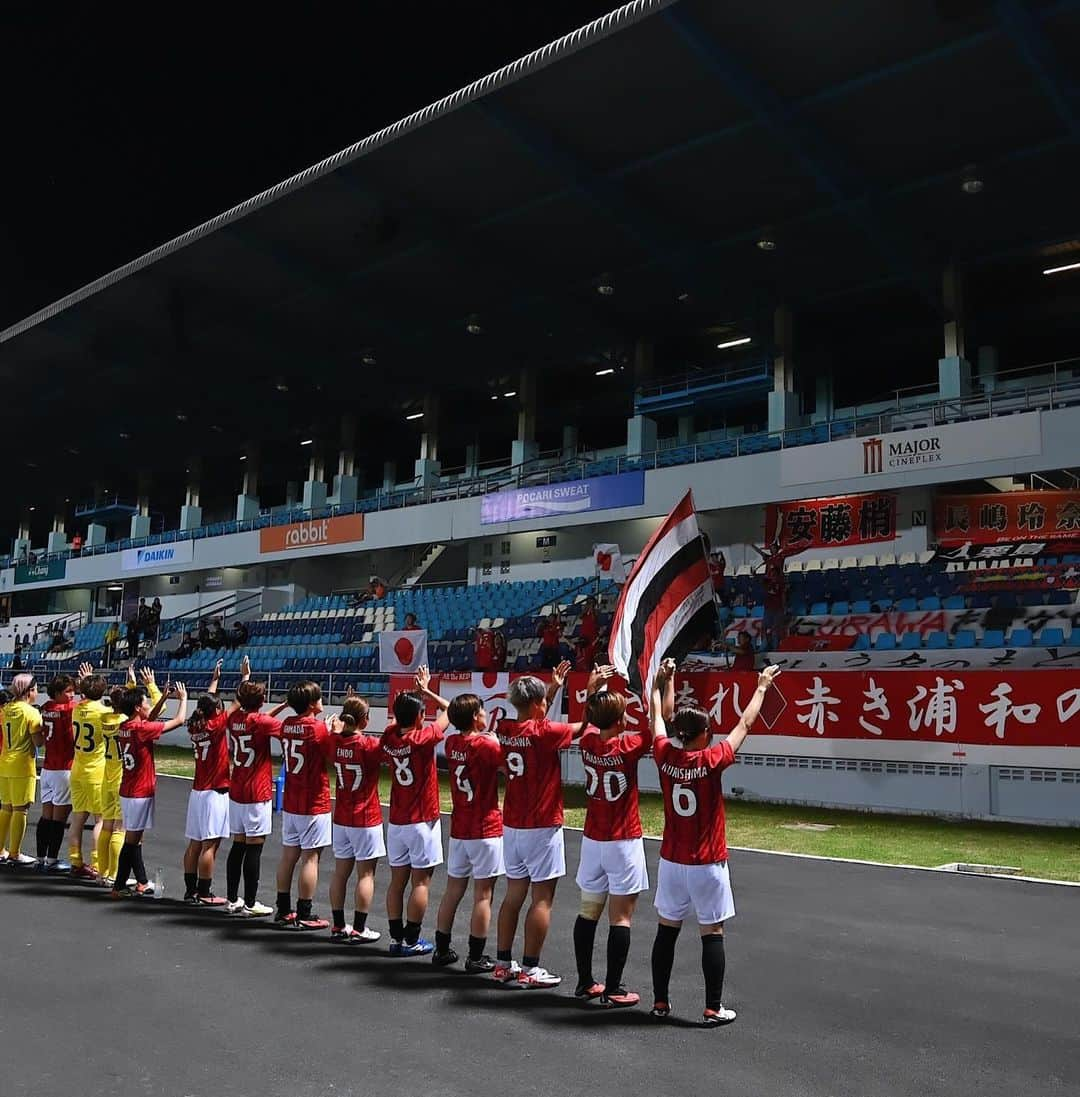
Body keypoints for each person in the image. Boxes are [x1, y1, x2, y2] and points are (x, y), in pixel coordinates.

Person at [648, 658, 780, 1025]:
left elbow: (658, 718)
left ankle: (660, 1002)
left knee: (666, 931)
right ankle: (712, 1006)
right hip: (706, 862)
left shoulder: (664, 754)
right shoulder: (712, 759)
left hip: (672, 862)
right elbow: (746, 723)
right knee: (712, 932)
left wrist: (663, 684)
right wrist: (762, 687)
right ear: (703, 733)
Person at [493, 660, 613, 989]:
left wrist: (554, 689)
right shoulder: (546, 732)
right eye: (544, 700)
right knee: (542, 898)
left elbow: (533, 725)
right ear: (536, 704)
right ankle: (531, 967)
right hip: (542, 825)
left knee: (514, 894)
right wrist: (591, 691)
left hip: (513, 823)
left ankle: (503, 962)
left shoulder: (505, 728)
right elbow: (583, 724)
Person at [571, 682, 658, 1008]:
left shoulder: (588, 742)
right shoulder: (629, 745)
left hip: (593, 839)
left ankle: (584, 981)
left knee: (588, 912)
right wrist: (658, 688)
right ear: (620, 720)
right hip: (622, 841)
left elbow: (588, 723)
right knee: (620, 917)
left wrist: (591, 689)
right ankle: (614, 987)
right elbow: (658, 725)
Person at [429, 690, 505, 972]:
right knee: (483, 894)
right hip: (485, 827)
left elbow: (455, 715)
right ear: (475, 716)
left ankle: (441, 948)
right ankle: (476, 955)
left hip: (460, 828)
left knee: (452, 891)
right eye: (483, 711)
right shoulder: (487, 745)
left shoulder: (451, 743)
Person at [381, 667, 450, 956]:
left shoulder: (389, 736)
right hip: (422, 819)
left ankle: (397, 938)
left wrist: (416, 697)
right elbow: (451, 709)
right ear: (420, 716)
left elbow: (399, 724)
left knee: (397, 881)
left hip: (396, 819)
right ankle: (412, 939)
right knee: (421, 881)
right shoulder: (423, 737)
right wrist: (427, 690)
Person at [111, 680, 190, 899]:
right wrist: (182, 700)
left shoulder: (126, 727)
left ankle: (142, 881)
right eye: (146, 702)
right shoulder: (141, 729)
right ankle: (118, 886)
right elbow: (179, 720)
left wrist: (163, 698)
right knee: (131, 841)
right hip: (139, 791)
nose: (148, 705)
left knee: (135, 839)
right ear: (138, 707)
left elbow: (148, 721)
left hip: (128, 789)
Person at [182, 657, 248, 905]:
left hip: (198, 791)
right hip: (215, 791)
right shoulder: (217, 725)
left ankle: (190, 890)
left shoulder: (196, 726)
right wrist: (244, 678)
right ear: (216, 711)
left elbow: (209, 703)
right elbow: (238, 702)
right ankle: (204, 891)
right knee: (211, 845)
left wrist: (215, 680)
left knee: (195, 843)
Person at [274, 681, 333, 930]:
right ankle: (305, 912)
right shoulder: (317, 728)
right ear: (311, 704)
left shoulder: (287, 725)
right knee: (311, 858)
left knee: (289, 856)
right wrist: (329, 730)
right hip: (313, 801)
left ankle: (283, 908)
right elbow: (330, 755)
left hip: (292, 800)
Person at [326, 694, 384, 944]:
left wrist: (335, 732)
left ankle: (339, 924)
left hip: (341, 816)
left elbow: (333, 741)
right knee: (366, 874)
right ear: (365, 719)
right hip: (366, 817)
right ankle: (359, 927)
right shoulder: (370, 745)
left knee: (340, 873)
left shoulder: (333, 742)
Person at [223, 678, 283, 917]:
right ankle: (250, 902)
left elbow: (253, 713)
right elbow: (277, 727)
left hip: (236, 788)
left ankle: (231, 898)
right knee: (254, 848)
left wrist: (245, 680)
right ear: (262, 700)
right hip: (256, 791)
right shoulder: (262, 722)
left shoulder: (234, 718)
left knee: (238, 845)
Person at [99, 667, 163, 888]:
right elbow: (151, 714)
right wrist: (149, 688)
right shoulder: (134, 726)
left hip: (107, 776)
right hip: (128, 779)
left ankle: (105, 870)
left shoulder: (109, 719)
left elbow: (138, 710)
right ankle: (119, 877)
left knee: (105, 826)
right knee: (124, 832)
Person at [37, 669, 90, 871]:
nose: (72, 695)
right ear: (58, 692)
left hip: (48, 768)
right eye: (68, 691)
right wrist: (86, 681)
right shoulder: (69, 709)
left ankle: (41, 857)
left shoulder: (46, 707)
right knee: (59, 819)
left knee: (46, 816)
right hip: (64, 768)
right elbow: (88, 702)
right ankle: (51, 859)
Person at [68, 672, 112, 877]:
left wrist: (86, 682)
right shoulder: (103, 712)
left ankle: (75, 860)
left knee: (78, 818)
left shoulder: (76, 710)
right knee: (100, 819)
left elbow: (85, 698)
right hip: (95, 771)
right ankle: (97, 863)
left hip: (77, 768)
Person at [0, 674, 45, 865]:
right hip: (23, 764)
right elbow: (38, 741)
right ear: (29, 691)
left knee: (5, 808)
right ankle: (15, 852)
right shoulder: (31, 713)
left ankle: (1, 849)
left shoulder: (6, 709)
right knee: (21, 809)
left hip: (5, 762)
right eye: (35, 690)